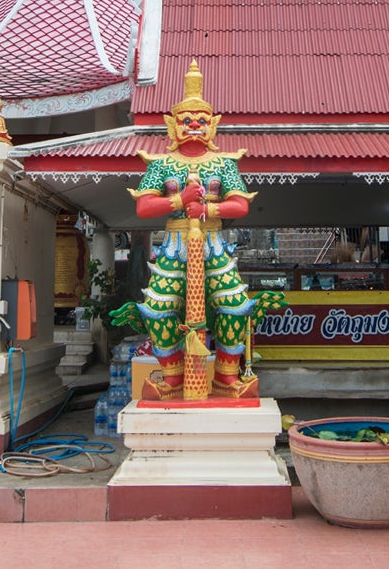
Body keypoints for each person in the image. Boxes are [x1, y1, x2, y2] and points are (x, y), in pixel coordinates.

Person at [112, 62, 281, 399]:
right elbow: (144, 207)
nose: (193, 126)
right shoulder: (162, 165)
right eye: (186, 120)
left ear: (212, 126)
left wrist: (207, 209)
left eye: (201, 121)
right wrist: (180, 200)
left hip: (213, 243)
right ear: (173, 126)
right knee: (158, 309)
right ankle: (173, 376)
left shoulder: (223, 164)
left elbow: (240, 205)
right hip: (175, 244)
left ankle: (226, 376)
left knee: (234, 305)